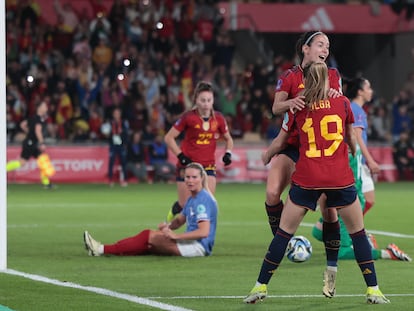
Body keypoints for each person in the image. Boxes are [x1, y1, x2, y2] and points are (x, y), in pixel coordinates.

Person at [244, 62, 390, 305]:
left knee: (282, 234)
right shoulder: (343, 102)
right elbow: (351, 139)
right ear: (329, 81)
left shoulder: (298, 108)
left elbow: (282, 142)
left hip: (308, 177)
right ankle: (373, 289)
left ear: (306, 81)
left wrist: (267, 155)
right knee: (358, 234)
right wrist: (352, 153)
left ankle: (260, 286)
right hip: (338, 178)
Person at [265, 31, 342, 297]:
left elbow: (339, 104)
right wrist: (291, 102)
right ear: (306, 48)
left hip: (319, 148)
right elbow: (276, 108)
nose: (325, 50)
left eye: (328, 46)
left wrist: (334, 93)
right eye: (320, 45)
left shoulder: (333, 76)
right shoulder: (290, 76)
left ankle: (331, 270)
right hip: (293, 145)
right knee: (273, 193)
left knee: (329, 210)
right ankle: (284, 243)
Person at [83, 162, 218, 257]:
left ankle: (100, 249)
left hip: (198, 247)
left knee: (148, 237)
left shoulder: (202, 200)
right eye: (187, 177)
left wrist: (176, 236)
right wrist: (168, 226)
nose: (190, 180)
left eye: (194, 177)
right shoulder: (193, 198)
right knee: (147, 241)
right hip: (190, 242)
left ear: (201, 178)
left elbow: (204, 232)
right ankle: (105, 249)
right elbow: (179, 221)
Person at [164, 81, 234, 222]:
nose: (206, 104)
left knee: (208, 203)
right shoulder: (188, 117)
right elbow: (169, 137)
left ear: (213, 100)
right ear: (196, 100)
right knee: (185, 205)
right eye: (202, 100)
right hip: (188, 166)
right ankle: (175, 209)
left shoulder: (219, 118)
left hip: (208, 166)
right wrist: (181, 156)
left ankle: (200, 237)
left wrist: (228, 153)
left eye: (209, 100)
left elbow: (229, 139)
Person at [346, 77, 379, 215]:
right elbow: (357, 137)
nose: (371, 91)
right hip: (356, 161)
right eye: (368, 88)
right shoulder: (356, 110)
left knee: (368, 200)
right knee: (361, 200)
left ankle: (350, 230)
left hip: (359, 161)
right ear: (360, 92)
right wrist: (370, 161)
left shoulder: (356, 109)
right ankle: (333, 228)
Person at [6, 101, 56, 189]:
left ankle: (46, 183)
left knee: (42, 160)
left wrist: (29, 132)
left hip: (30, 142)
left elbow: (23, 125)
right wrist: (42, 143)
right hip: (30, 143)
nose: (46, 108)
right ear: (39, 108)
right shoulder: (39, 119)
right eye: (44, 106)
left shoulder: (33, 118)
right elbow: (38, 131)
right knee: (22, 162)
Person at [106, 107, 129, 187]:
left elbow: (126, 134)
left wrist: (125, 143)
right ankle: (110, 180)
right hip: (113, 145)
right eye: (115, 113)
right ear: (113, 115)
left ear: (120, 115)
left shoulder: (123, 123)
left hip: (121, 145)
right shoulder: (110, 123)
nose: (117, 115)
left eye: (118, 113)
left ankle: (124, 180)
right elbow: (106, 133)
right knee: (111, 162)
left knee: (123, 163)